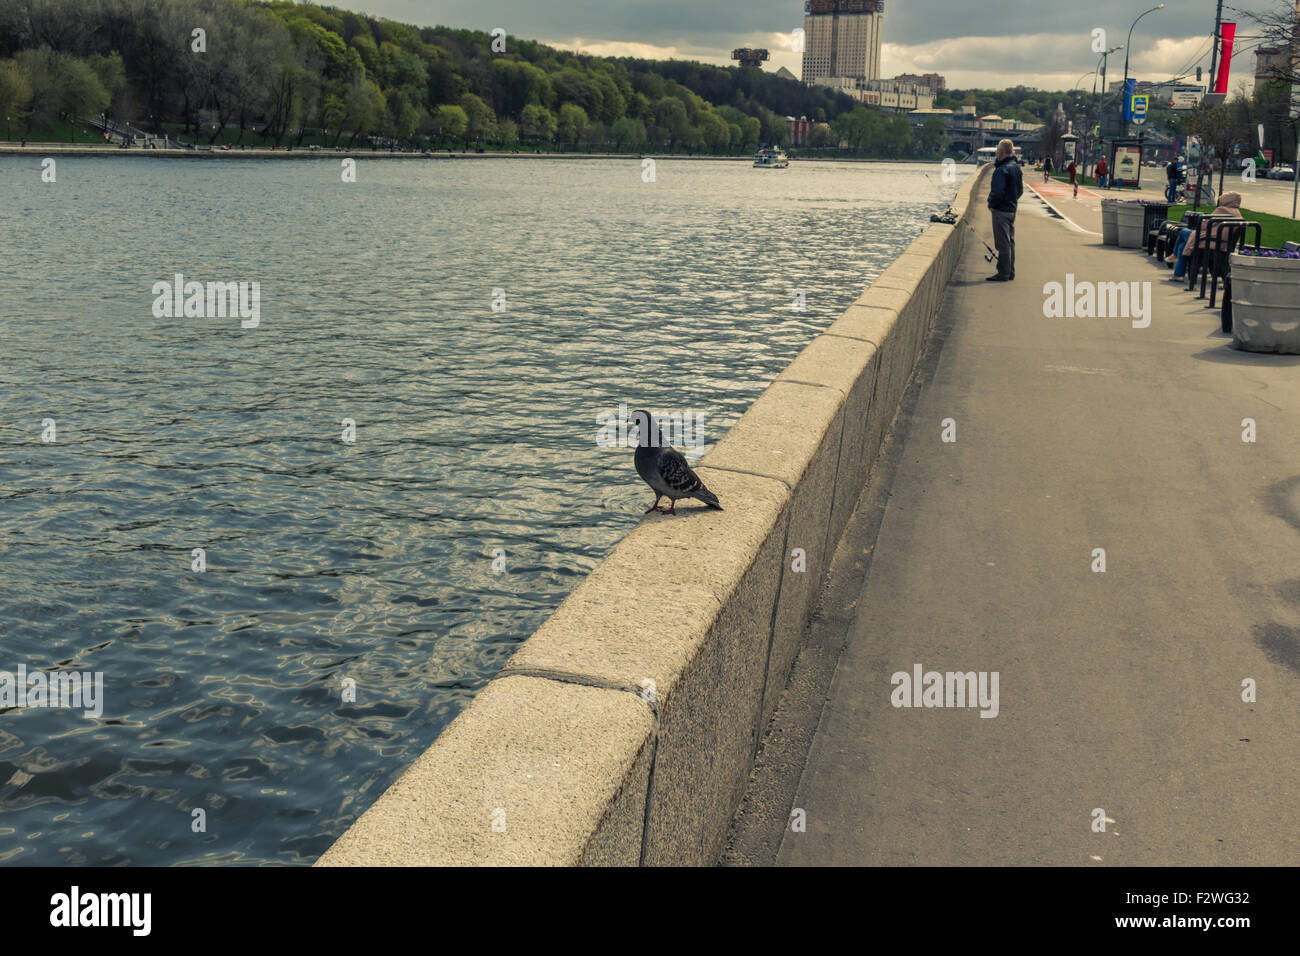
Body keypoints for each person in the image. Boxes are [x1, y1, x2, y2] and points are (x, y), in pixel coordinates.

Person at [1166, 191, 1243, 280]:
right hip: (1223, 243)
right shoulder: (1237, 212)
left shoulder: (1222, 209)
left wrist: (1202, 221)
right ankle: (1177, 274)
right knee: (1182, 246)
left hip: (1210, 241)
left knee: (1183, 231)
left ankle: (1175, 259)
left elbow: (1205, 225)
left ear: (1226, 200)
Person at [986, 139, 1023, 282]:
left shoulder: (1001, 170)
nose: (996, 153)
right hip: (1011, 209)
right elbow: (1020, 190)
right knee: (1010, 242)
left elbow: (997, 192)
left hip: (1001, 210)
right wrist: (1012, 200)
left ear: (1001, 152)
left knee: (1002, 243)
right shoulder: (1015, 167)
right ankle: (1010, 271)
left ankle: (1003, 273)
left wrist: (991, 204)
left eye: (997, 151)